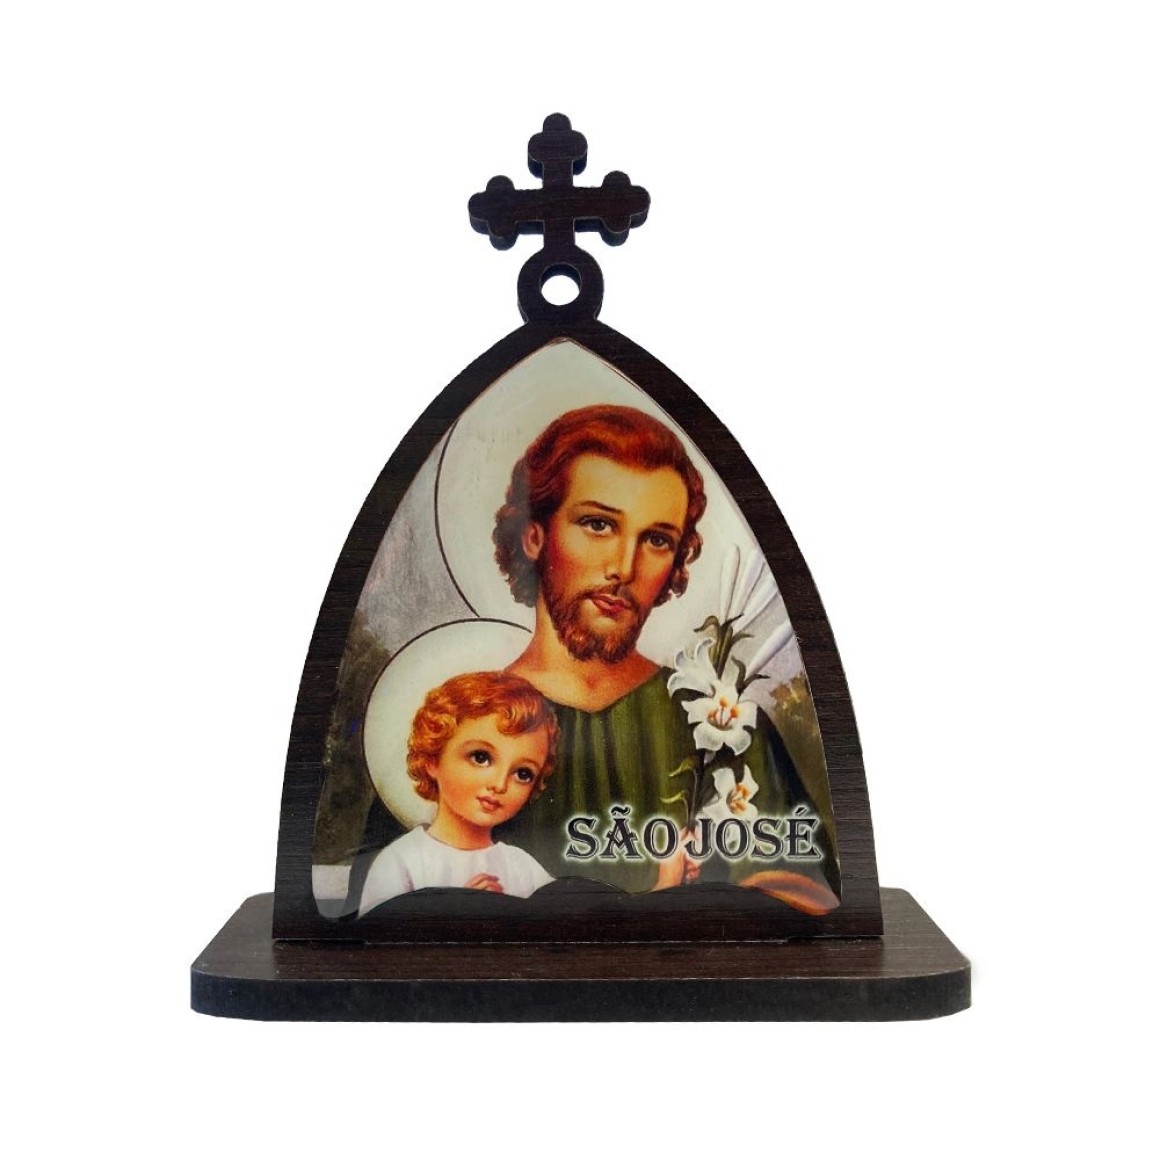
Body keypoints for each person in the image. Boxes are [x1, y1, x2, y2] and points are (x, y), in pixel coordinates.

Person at [491, 404, 839, 897]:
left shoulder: (726, 728)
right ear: (535, 536)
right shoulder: (468, 723)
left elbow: (809, 903)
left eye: (656, 539)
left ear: (675, 561)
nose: (624, 567)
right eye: (598, 524)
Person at [358, 671, 558, 915]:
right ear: (433, 759)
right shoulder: (401, 862)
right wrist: (458, 909)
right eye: (481, 757)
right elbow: (377, 933)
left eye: (523, 774)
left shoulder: (522, 867)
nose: (499, 784)